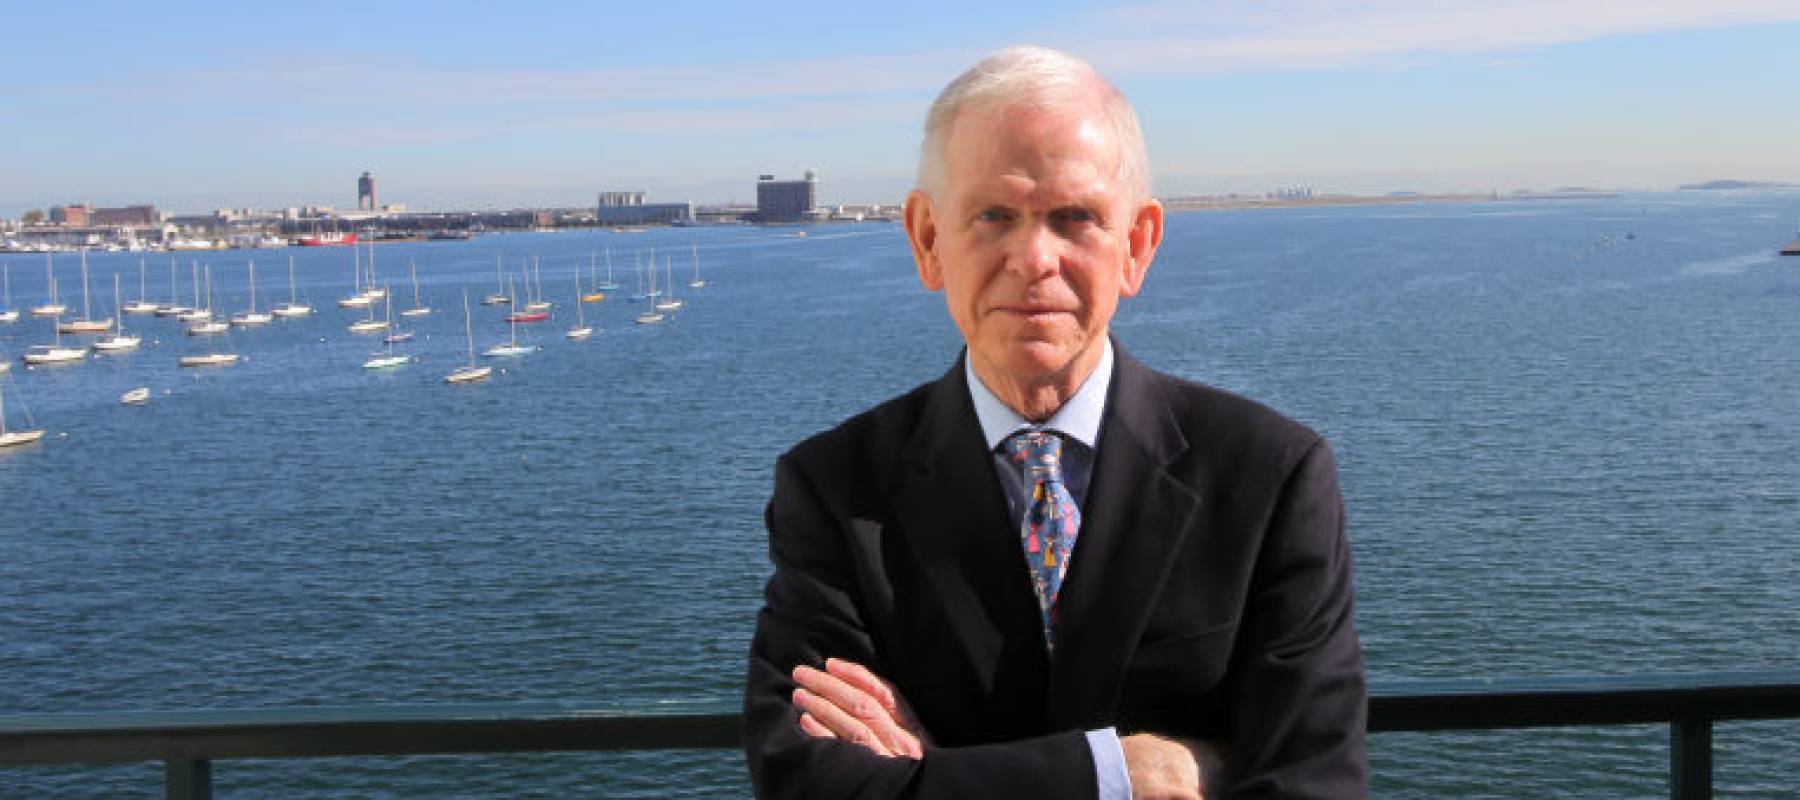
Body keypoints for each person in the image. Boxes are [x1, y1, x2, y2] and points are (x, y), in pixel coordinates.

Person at [744, 45, 1366, 799]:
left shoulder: (1271, 478)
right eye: (994, 215)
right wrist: (1123, 773)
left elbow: (1314, 786)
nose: (1034, 258)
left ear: (1136, 246)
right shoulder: (836, 491)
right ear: (928, 240)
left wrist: (934, 777)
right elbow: (810, 788)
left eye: (1074, 218)